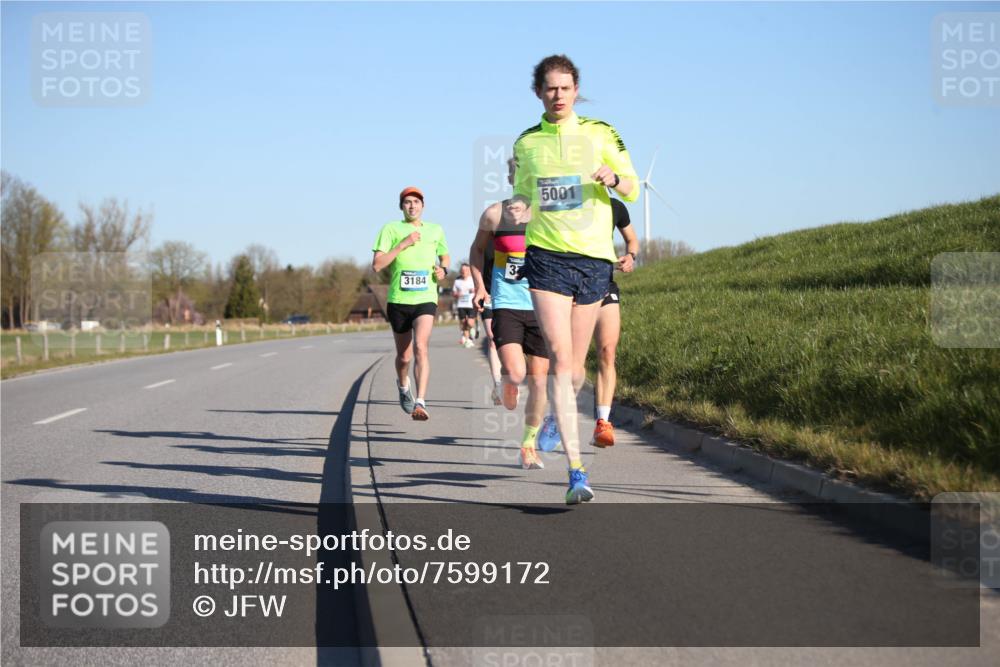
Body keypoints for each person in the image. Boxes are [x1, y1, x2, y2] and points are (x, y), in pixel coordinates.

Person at [513, 54, 639, 503]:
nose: (558, 95)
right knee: (561, 363)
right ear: (539, 92)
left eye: (565, 88)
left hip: (594, 261)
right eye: (550, 88)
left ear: (576, 89)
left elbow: (633, 187)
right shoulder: (526, 143)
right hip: (547, 258)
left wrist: (615, 177)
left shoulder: (601, 133)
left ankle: (554, 418)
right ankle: (576, 471)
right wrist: (517, 210)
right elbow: (525, 197)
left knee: (577, 372)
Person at [470, 194, 549, 470]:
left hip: (542, 304)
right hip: (506, 304)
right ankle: (507, 381)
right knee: (517, 373)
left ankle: (528, 445)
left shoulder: (546, 211)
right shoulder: (495, 214)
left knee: (539, 382)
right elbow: (476, 251)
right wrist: (480, 286)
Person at [372, 187, 450, 421]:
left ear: (423, 206)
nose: (412, 206)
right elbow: (377, 265)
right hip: (399, 300)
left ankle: (421, 401)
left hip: (425, 298)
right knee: (404, 357)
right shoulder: (390, 229)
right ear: (401, 207)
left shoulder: (436, 230)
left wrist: (443, 269)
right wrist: (403, 244)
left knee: (421, 348)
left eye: (416, 201)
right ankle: (404, 385)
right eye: (407, 202)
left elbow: (445, 256)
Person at [591, 198, 640, 447]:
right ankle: (556, 415)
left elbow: (632, 239)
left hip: (604, 284)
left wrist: (631, 256)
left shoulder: (615, 207)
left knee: (608, 352)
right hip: (569, 287)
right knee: (567, 358)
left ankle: (603, 422)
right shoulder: (568, 202)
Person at [452, 263, 477, 348]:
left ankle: (473, 329)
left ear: (469, 271)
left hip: (471, 304)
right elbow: (454, 293)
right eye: (462, 270)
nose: (464, 272)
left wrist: (474, 290)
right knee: (463, 323)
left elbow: (479, 289)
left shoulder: (473, 279)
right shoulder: (457, 280)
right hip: (461, 305)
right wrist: (457, 294)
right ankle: (468, 340)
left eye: (466, 270)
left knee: (469, 322)